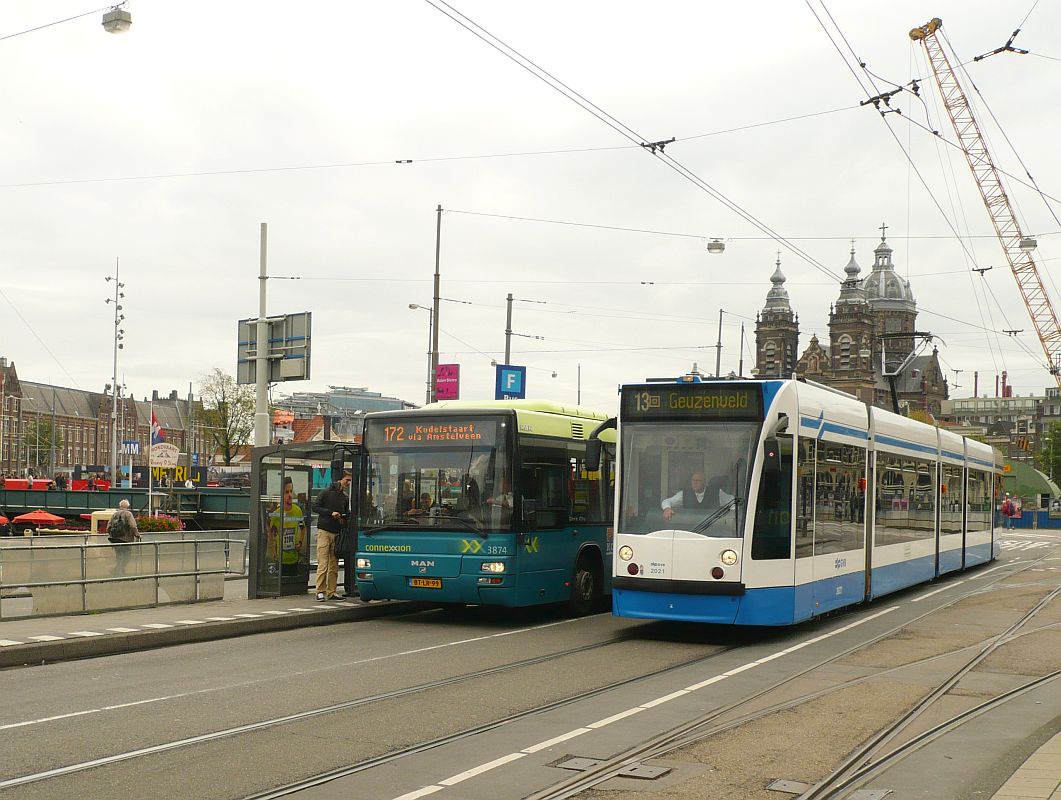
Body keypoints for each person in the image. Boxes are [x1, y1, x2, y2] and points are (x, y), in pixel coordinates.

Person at [313, 471, 351, 601]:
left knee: (334, 565)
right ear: (340, 480)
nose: (348, 483)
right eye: (347, 480)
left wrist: (342, 518)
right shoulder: (326, 492)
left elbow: (345, 512)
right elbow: (315, 507)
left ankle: (331, 591)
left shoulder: (344, 497)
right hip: (325, 531)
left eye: (350, 480)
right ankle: (320, 590)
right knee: (323, 563)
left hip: (334, 532)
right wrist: (331, 513)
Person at [661, 470, 734, 521]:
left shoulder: (716, 492)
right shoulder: (684, 494)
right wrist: (667, 509)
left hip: (712, 528)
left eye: (698, 481)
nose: (694, 483)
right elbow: (666, 501)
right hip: (691, 530)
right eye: (693, 480)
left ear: (704, 482)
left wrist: (731, 516)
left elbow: (733, 501)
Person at [108, 499, 141, 574]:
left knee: (119, 557)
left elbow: (108, 527)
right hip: (126, 540)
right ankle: (116, 571)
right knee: (126, 557)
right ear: (128, 506)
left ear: (120, 506)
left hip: (115, 540)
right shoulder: (128, 514)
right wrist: (137, 534)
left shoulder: (114, 514)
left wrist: (113, 535)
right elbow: (133, 526)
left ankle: (119, 572)